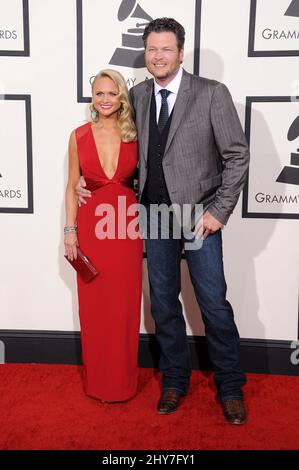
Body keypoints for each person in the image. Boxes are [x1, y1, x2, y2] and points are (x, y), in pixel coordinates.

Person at [76, 18, 250, 424]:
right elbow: (114, 145)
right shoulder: (135, 96)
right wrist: (88, 181)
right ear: (146, 54)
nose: (158, 56)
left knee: (213, 304)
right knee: (164, 305)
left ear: (180, 53)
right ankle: (174, 379)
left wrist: (219, 211)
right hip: (152, 217)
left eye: (166, 49)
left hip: (198, 216)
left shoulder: (211, 94)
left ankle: (229, 386)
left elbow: (237, 156)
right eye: (152, 50)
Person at [64, 69, 142, 402]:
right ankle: (98, 382)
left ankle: (123, 382)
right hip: (92, 227)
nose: (105, 100)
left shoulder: (135, 134)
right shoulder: (79, 135)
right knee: (95, 307)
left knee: (124, 306)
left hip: (125, 227)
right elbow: (71, 186)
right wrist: (69, 232)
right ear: (92, 98)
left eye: (112, 93)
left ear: (121, 96)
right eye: (99, 93)